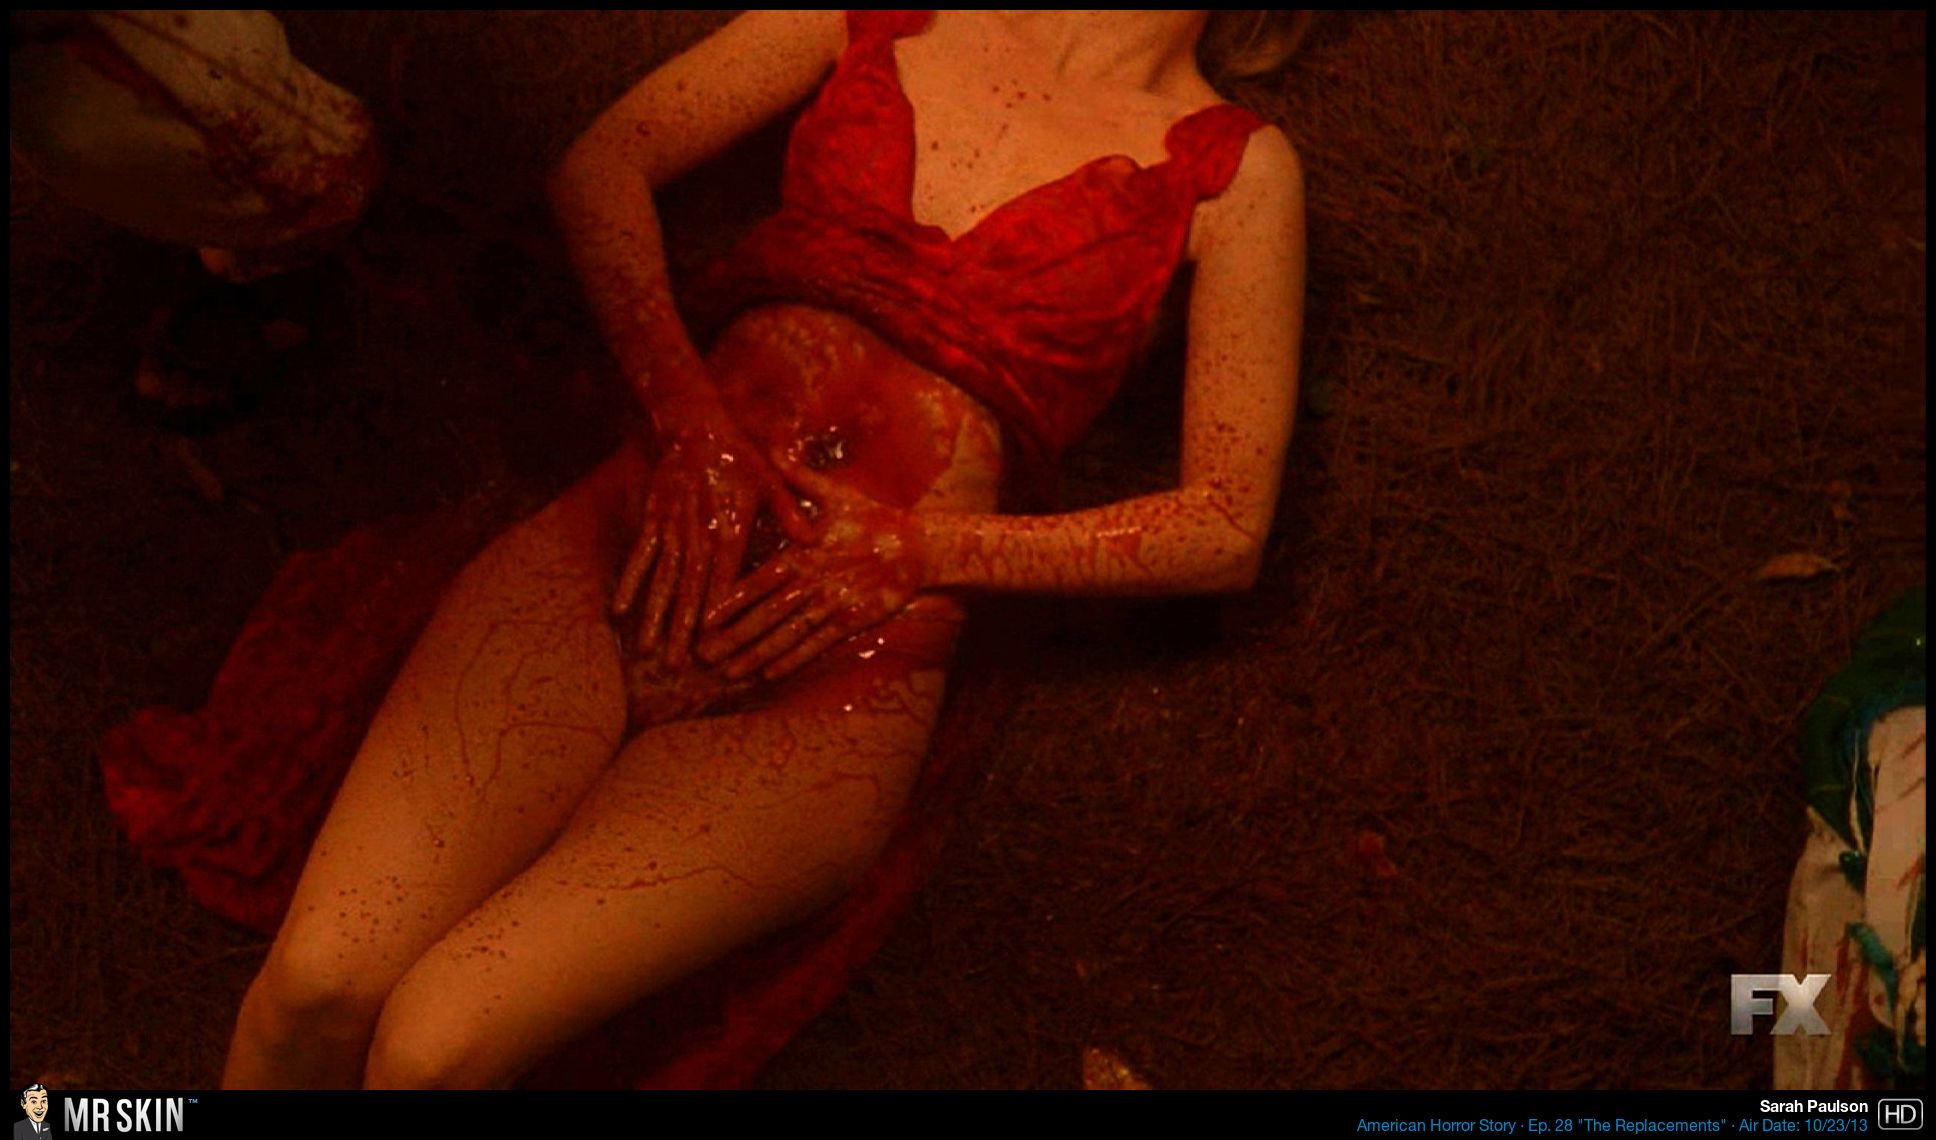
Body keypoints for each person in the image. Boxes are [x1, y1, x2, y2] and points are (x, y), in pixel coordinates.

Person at [216, 9, 1306, 1088]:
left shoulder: (1236, 171)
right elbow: (603, 165)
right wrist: (683, 406)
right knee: (317, 985)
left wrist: (916, 549)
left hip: (849, 666)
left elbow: (1222, 526)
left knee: (434, 1049)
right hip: (629, 536)